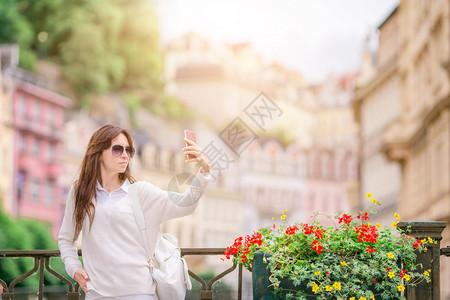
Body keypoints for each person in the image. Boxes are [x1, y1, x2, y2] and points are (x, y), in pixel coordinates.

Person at [58, 124, 211, 300]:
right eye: (117, 149)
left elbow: (186, 204)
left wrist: (204, 170)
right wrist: (74, 268)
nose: (125, 155)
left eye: (129, 150)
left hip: (138, 293)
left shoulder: (140, 192)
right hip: (96, 294)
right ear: (98, 152)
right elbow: (66, 239)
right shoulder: (80, 192)